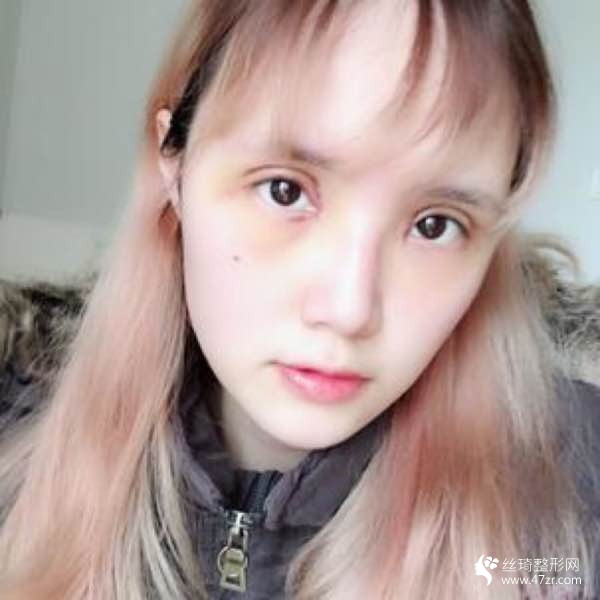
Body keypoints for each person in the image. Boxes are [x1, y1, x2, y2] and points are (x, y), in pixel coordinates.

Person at [0, 0, 599, 598]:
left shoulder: (572, 519)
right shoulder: (14, 458)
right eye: (284, 191)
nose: (349, 310)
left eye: (435, 225)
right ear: (174, 169)